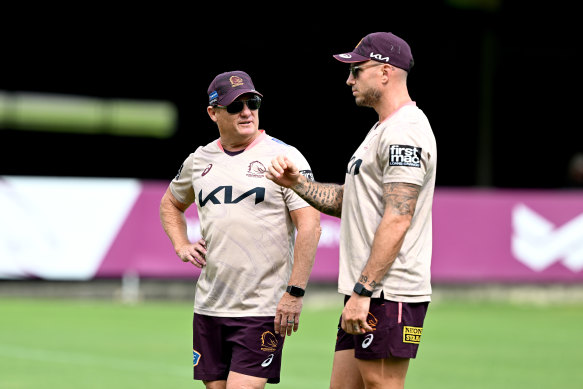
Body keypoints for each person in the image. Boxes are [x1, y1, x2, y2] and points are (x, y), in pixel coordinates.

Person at [266, 32, 437, 389]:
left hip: (388, 291)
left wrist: (364, 292)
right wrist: (297, 184)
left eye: (357, 70)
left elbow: (398, 217)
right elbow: (351, 201)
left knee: (382, 384)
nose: (349, 79)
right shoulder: (381, 129)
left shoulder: (405, 131)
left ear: (385, 72)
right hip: (367, 290)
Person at [159, 70, 321, 388]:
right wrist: (181, 244)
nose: (247, 112)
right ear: (213, 112)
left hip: (262, 308)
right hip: (210, 305)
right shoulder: (198, 160)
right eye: (235, 106)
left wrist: (294, 293)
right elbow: (170, 205)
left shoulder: (285, 156)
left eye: (252, 102)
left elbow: (310, 226)